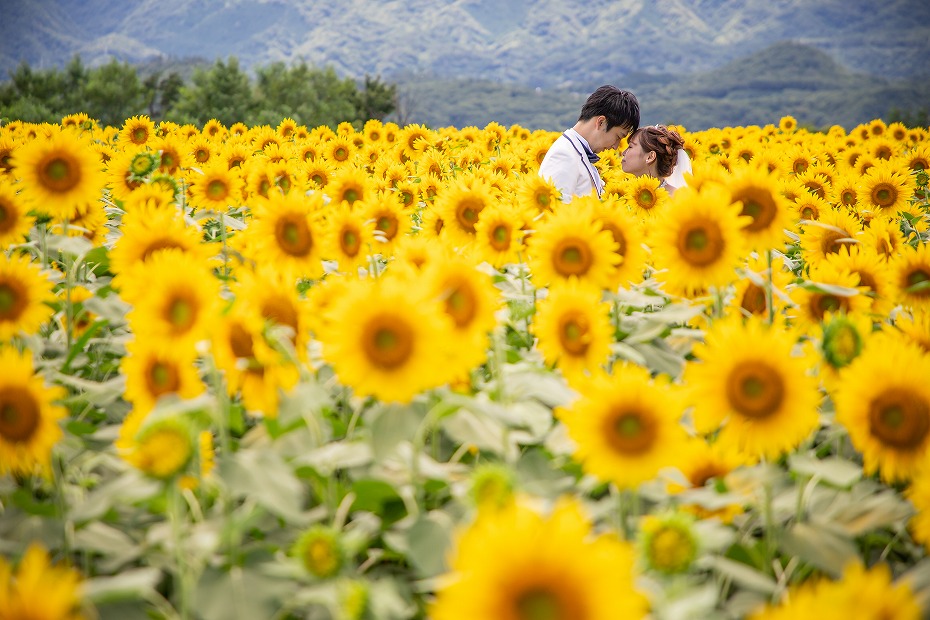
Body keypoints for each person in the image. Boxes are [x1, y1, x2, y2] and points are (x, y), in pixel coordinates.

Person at [538, 85, 640, 203]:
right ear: (601, 122)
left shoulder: (577, 151)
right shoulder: (564, 155)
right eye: (618, 136)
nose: (616, 146)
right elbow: (555, 212)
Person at [620, 124, 691, 196]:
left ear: (650, 157)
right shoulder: (626, 193)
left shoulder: (676, 198)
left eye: (630, 146)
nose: (623, 153)